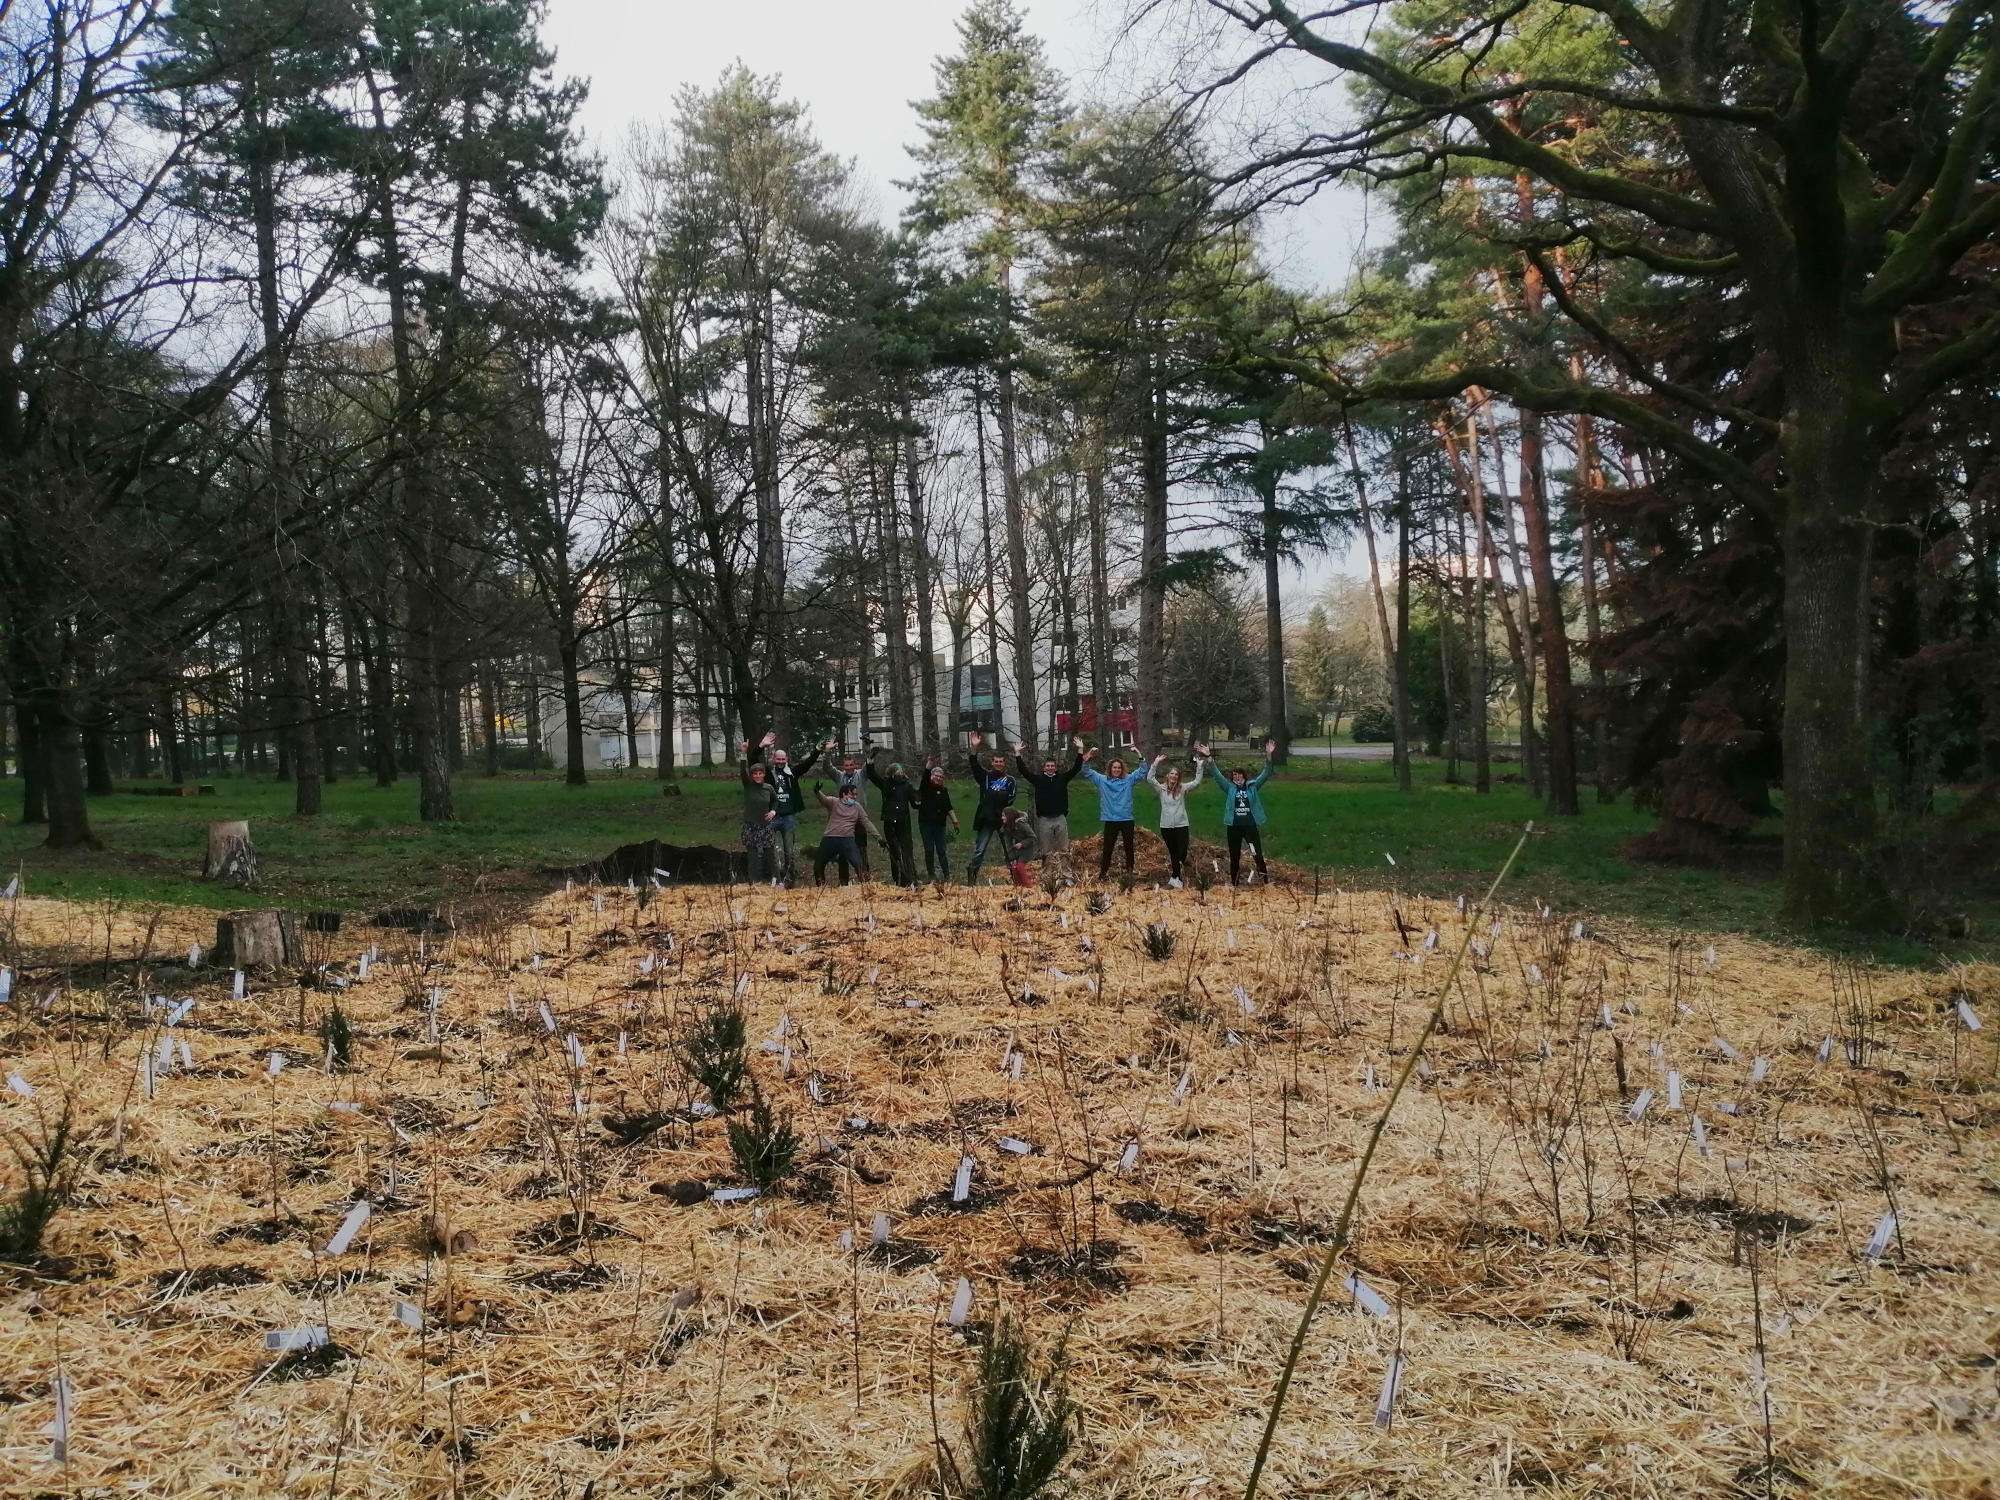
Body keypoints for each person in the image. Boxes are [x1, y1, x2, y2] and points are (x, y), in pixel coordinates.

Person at [751, 731, 827, 886]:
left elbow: (807, 764)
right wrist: (761, 746)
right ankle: (773, 878)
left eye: (783, 759)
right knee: (770, 850)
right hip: (771, 817)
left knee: (789, 851)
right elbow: (753, 761)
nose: (780, 761)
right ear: (774, 759)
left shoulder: (791, 772)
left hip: (788, 817)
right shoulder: (768, 773)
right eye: (778, 759)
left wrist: (817, 750)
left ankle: (790, 880)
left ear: (786, 759)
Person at [1197, 739, 1276, 885]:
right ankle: (1234, 883)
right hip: (1233, 827)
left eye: (1239, 774)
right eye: (1234, 775)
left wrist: (1269, 755)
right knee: (1234, 855)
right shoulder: (1229, 788)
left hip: (1250, 826)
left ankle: (1265, 882)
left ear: (1244, 776)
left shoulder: (1253, 786)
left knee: (1256, 853)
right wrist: (1208, 756)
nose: (1237, 777)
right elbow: (1217, 774)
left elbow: (1266, 773)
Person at [1080, 746, 1150, 881]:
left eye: (1119, 768)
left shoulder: (1128, 779)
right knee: (1107, 848)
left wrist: (1139, 754)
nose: (1116, 770)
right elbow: (1086, 771)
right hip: (1110, 819)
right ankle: (1103, 874)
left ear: (1122, 769)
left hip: (1126, 819)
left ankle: (1130, 873)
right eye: (1114, 768)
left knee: (1129, 848)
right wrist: (1088, 757)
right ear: (1110, 769)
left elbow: (1142, 771)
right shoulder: (1102, 780)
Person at [1014, 738, 1084, 871]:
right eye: (1048, 766)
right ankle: (1048, 873)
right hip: (1044, 820)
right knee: (1046, 849)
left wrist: (1080, 750)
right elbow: (1024, 771)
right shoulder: (1038, 780)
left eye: (1052, 766)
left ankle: (1065, 873)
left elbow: (1076, 768)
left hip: (1060, 818)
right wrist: (1017, 754)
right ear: (1044, 768)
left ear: (1055, 768)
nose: (1050, 768)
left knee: (1063, 848)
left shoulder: (1062, 779)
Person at [960, 730, 1019, 884]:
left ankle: (1016, 877)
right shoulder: (985, 777)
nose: (999, 763)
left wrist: (1002, 806)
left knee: (1009, 850)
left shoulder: (1010, 780)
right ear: (992, 763)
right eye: (996, 761)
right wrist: (974, 748)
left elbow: (1011, 799)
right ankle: (972, 874)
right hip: (986, 819)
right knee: (980, 849)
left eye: (1001, 761)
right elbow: (974, 764)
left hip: (1003, 819)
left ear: (1004, 763)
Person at [1146, 752, 1204, 888]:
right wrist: (1156, 763)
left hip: (1181, 825)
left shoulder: (1183, 788)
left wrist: (1199, 766)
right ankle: (1176, 879)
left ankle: (1177, 873)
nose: (1173, 776)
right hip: (1166, 826)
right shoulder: (1161, 788)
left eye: (1176, 774)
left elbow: (1196, 782)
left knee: (1182, 852)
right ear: (1167, 776)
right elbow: (1150, 778)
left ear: (1178, 777)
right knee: (1173, 853)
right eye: (1171, 773)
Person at [865, 747, 919, 887]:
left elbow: (915, 803)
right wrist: (870, 761)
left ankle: (911, 878)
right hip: (890, 823)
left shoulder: (907, 786)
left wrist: (920, 801)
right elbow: (872, 776)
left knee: (907, 850)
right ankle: (898, 880)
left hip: (903, 823)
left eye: (901, 771)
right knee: (894, 851)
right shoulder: (885, 784)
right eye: (897, 771)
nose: (899, 773)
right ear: (892, 773)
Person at [811, 781, 881, 887]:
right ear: (844, 794)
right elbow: (823, 799)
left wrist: (878, 838)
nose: (855, 797)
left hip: (847, 839)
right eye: (852, 794)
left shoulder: (857, 807)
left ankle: (866, 888)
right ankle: (821, 888)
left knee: (858, 864)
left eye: (856, 794)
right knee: (818, 865)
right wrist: (817, 791)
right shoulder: (834, 802)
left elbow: (867, 822)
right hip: (830, 837)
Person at [737, 756, 781, 883]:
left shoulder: (768, 788)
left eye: (760, 773)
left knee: (770, 854)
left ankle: (778, 881)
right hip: (750, 825)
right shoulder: (748, 785)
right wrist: (743, 755)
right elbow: (742, 772)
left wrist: (773, 811)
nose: (757, 776)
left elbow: (775, 801)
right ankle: (754, 882)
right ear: (751, 775)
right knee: (753, 855)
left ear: (764, 774)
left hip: (765, 825)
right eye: (755, 774)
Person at [916, 761, 960, 881]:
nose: (939, 778)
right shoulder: (925, 787)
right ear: (931, 776)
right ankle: (931, 874)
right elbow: (924, 778)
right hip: (926, 824)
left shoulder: (944, 790)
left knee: (941, 850)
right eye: (936, 776)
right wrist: (928, 767)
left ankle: (947, 875)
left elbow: (948, 807)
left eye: (941, 777)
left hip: (940, 825)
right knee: (929, 849)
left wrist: (955, 822)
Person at [835, 746, 872, 875]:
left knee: (861, 848)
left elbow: (868, 766)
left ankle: (864, 875)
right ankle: (844, 879)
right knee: (843, 850)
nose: (849, 767)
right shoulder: (839, 776)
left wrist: (868, 750)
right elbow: (827, 768)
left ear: (855, 765)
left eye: (851, 765)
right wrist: (827, 752)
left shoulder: (861, 775)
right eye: (846, 765)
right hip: (843, 818)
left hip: (858, 817)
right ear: (843, 766)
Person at [997, 807, 1041, 888]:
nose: (1002, 818)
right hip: (1018, 849)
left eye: (1004, 816)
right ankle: (1019, 886)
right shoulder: (1007, 827)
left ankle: (1029, 886)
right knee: (1014, 868)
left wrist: (1022, 843)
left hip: (1028, 848)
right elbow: (1009, 844)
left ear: (1009, 816)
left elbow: (1033, 837)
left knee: (1020, 866)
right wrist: (1010, 858)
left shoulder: (1022, 824)